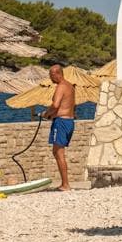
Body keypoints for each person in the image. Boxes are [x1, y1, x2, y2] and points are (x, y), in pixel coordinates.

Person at [45, 61, 77, 192]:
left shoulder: (61, 87)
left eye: (50, 75)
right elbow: (71, 106)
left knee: (59, 153)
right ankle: (65, 183)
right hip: (69, 121)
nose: (50, 78)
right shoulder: (70, 86)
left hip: (61, 122)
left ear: (56, 74)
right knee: (57, 152)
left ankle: (65, 184)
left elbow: (56, 105)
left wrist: (46, 114)